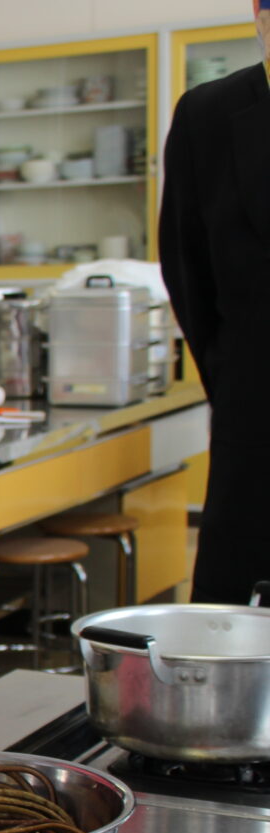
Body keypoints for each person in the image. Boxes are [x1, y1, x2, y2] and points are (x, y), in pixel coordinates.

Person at [160, 2, 270, 604]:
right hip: (255, 436)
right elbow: (188, 276)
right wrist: (241, 386)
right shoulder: (209, 117)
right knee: (240, 640)